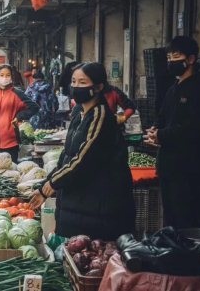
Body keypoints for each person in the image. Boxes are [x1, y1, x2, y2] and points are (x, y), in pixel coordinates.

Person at [30, 62, 135, 239]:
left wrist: (50, 186)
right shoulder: (79, 113)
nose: (76, 87)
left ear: (99, 86)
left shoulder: (100, 116)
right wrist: (46, 184)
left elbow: (82, 160)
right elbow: (66, 157)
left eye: (82, 82)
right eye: (73, 81)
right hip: (79, 204)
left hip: (98, 208)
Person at [145, 36, 200, 228]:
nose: (171, 61)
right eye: (169, 56)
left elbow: (195, 127)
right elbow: (162, 116)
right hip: (170, 165)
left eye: (176, 56)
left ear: (191, 59)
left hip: (192, 168)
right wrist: (155, 130)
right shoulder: (174, 88)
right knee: (171, 217)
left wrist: (162, 135)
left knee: (187, 219)